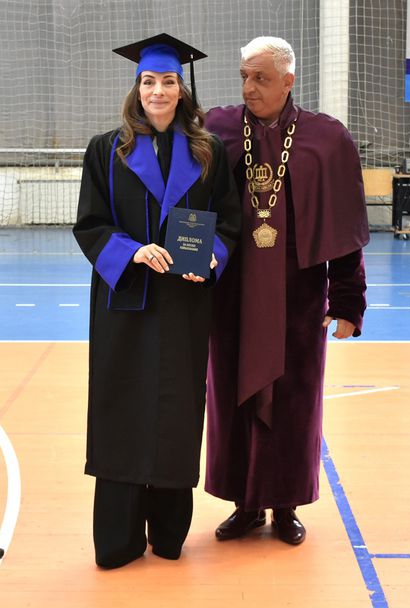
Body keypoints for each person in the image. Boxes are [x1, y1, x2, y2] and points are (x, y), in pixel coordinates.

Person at [73, 33, 241, 568]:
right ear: (137, 87)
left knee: (175, 410)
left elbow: (230, 221)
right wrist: (133, 251)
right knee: (121, 410)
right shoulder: (107, 150)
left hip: (183, 304)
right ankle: (118, 539)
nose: (158, 91)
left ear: (181, 89)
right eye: (149, 81)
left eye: (168, 81)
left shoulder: (208, 152)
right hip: (125, 302)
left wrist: (212, 256)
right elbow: (90, 223)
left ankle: (168, 534)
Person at [204, 36, 369, 545]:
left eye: (261, 78)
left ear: (288, 81)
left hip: (299, 299)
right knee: (231, 397)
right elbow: (190, 203)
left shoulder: (326, 139)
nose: (249, 88)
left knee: (294, 403)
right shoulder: (217, 130)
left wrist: (347, 302)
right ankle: (245, 504)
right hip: (231, 296)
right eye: (244, 77)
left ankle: (285, 505)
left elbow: (343, 229)